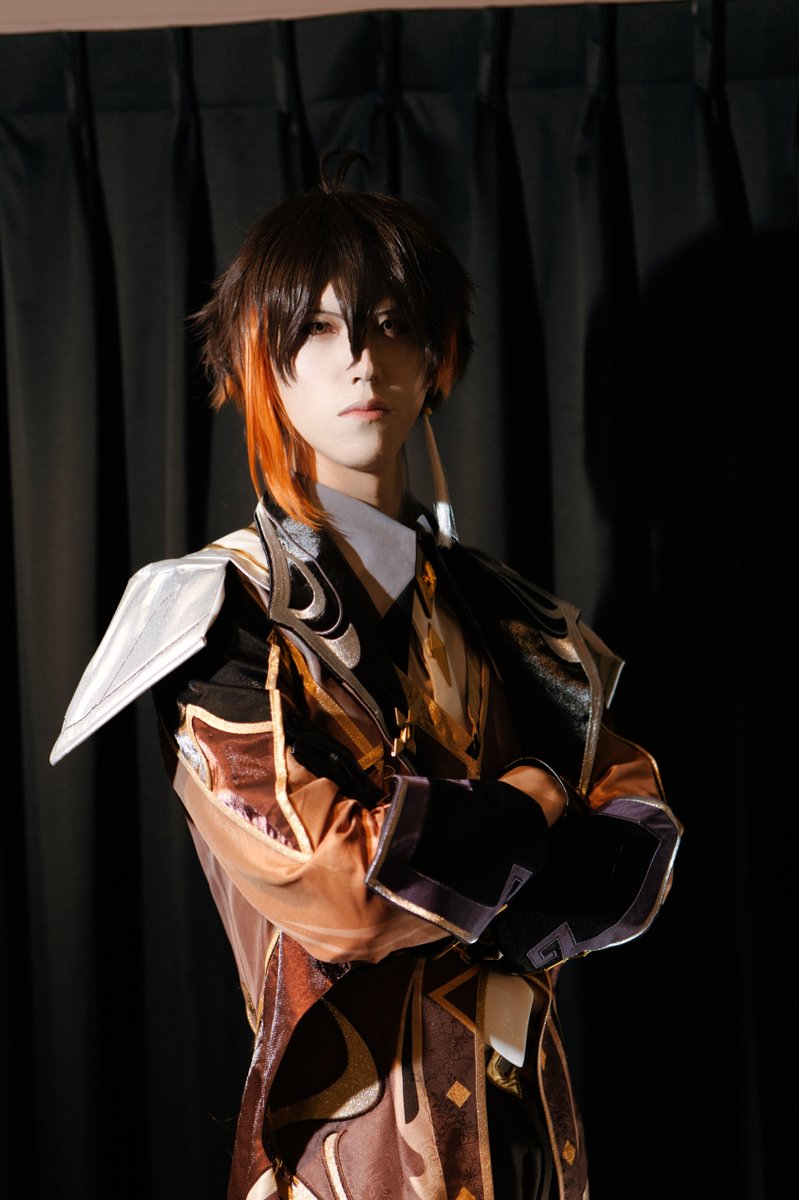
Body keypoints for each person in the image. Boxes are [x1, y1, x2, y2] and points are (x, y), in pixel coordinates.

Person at [50, 153, 682, 1200]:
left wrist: (446, 854)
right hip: (343, 1150)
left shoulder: (521, 623)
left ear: (435, 356)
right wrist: (534, 799)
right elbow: (339, 894)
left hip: (526, 1136)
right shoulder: (218, 612)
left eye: (391, 324)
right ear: (262, 362)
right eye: (317, 328)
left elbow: (635, 850)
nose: (359, 360)